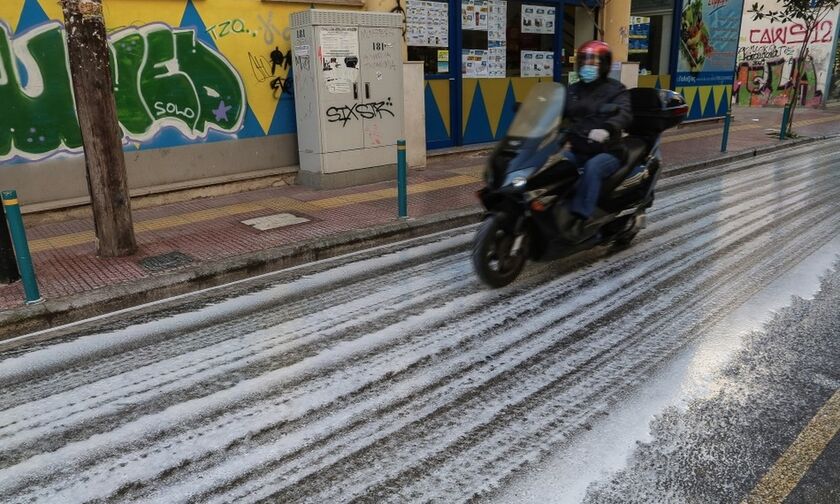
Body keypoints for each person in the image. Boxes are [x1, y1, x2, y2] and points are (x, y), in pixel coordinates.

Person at [560, 40, 632, 242]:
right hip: (578, 148)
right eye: (584, 61)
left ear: (604, 65)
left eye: (593, 62)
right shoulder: (573, 90)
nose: (587, 66)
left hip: (607, 151)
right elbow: (559, 109)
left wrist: (607, 128)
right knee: (557, 166)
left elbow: (624, 112)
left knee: (593, 168)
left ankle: (583, 220)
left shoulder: (616, 90)